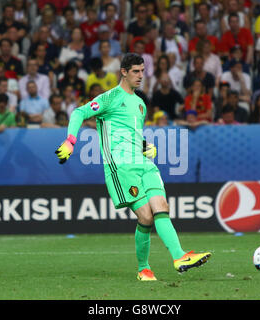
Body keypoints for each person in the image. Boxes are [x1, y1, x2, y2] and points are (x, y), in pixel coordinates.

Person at [55, 53, 212, 281]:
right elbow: (80, 112)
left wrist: (145, 146)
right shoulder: (110, 98)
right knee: (146, 217)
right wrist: (70, 141)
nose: (141, 75)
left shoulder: (140, 104)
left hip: (143, 164)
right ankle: (143, 269)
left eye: (143, 71)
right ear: (124, 72)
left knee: (162, 206)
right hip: (121, 167)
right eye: (136, 71)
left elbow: (130, 133)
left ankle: (179, 256)